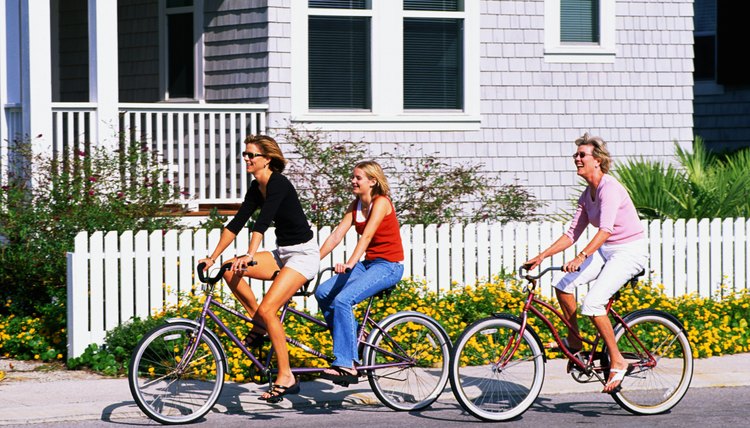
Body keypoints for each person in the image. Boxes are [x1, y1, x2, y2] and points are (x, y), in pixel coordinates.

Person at [524, 132, 648, 393]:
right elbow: (571, 234)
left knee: (592, 303)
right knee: (563, 285)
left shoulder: (610, 189)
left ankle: (618, 360)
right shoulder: (586, 195)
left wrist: (581, 257)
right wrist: (542, 255)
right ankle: (575, 342)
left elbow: (605, 230)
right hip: (606, 251)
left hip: (628, 251)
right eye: (576, 155)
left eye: (582, 155)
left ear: (598, 161)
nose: (577, 159)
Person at [197, 134, 319, 401]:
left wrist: (250, 254)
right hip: (283, 253)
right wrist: (213, 257)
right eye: (245, 154)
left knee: (269, 308)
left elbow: (262, 222)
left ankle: (286, 376)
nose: (247, 159)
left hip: (303, 255)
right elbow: (237, 223)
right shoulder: (256, 187)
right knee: (229, 269)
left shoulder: (279, 184)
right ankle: (259, 324)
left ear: (268, 159)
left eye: (252, 155)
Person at [315, 160, 405, 384]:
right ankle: (356, 339)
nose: (353, 181)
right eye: (352, 177)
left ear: (373, 181)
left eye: (358, 178)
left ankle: (347, 364)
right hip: (369, 264)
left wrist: (349, 263)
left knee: (344, 300)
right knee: (323, 292)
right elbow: (336, 236)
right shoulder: (355, 205)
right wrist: (310, 261)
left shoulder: (381, 202)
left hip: (389, 266)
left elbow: (366, 237)